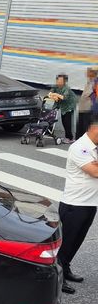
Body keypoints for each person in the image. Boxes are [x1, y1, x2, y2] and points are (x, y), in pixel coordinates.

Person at [56, 116, 98, 294]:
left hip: (89, 204)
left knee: (76, 242)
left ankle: (66, 270)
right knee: (65, 245)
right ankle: (58, 279)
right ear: (92, 128)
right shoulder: (79, 147)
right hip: (74, 205)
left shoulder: (94, 149)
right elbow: (95, 171)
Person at [48, 73, 77, 143]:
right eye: (58, 80)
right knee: (63, 120)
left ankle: (70, 138)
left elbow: (64, 97)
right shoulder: (55, 86)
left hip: (69, 105)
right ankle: (66, 136)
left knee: (67, 121)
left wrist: (55, 94)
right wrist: (53, 96)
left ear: (64, 81)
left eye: (61, 80)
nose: (59, 82)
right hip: (62, 104)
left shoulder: (66, 88)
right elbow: (49, 94)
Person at [76, 69, 98, 140]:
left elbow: (90, 94)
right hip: (83, 107)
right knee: (80, 125)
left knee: (86, 126)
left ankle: (85, 140)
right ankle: (79, 140)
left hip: (89, 108)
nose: (87, 74)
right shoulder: (89, 82)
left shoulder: (94, 83)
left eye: (89, 73)